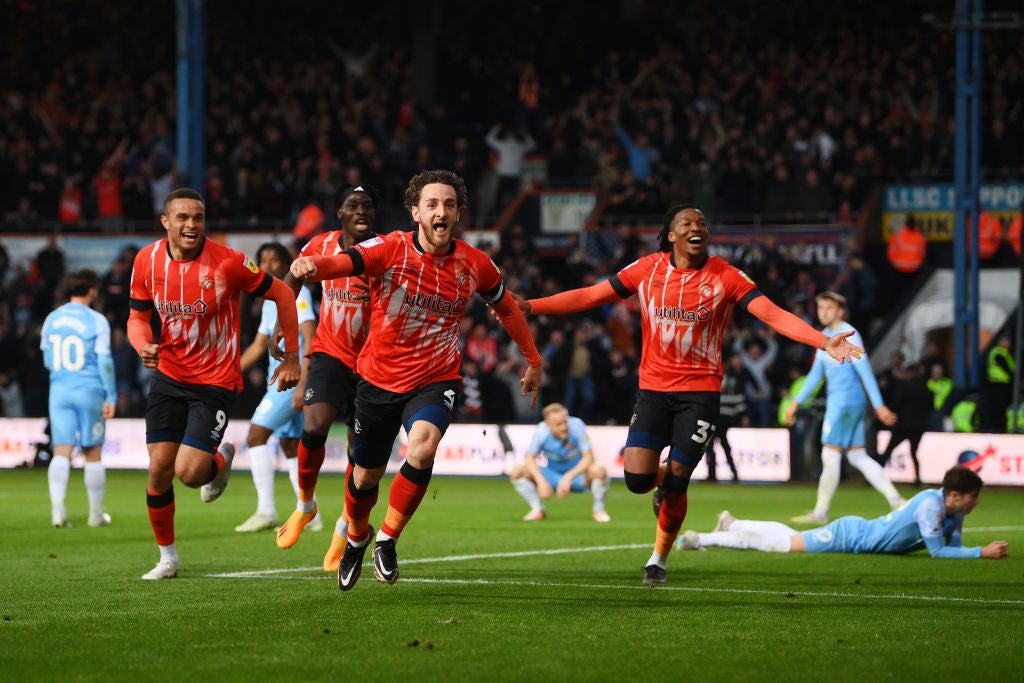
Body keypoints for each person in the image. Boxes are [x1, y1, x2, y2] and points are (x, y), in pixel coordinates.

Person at [514, 204, 864, 585]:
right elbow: (593, 295)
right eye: (687, 223)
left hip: (700, 393)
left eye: (702, 223)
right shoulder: (647, 269)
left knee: (678, 481)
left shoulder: (725, 276)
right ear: (671, 235)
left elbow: (772, 314)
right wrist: (532, 306)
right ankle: (660, 477)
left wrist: (822, 340)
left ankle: (658, 559)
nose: (697, 228)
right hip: (652, 390)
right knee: (636, 479)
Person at [290, 169, 542, 591]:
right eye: (431, 204)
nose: (440, 211)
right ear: (416, 212)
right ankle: (356, 537)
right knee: (364, 476)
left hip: (435, 377)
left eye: (448, 204)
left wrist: (532, 359)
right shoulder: (390, 248)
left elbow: (509, 309)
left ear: (459, 213)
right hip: (376, 379)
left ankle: (387, 538)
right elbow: (348, 261)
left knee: (422, 447)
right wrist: (317, 265)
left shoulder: (475, 263)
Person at [127, 188, 301, 580]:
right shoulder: (146, 261)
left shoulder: (228, 263)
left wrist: (291, 356)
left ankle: (220, 460)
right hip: (169, 375)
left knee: (188, 474)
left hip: (215, 380)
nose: (192, 226)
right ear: (166, 222)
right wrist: (143, 345)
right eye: (183, 218)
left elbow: (284, 294)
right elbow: (137, 317)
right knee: (158, 470)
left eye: (199, 218)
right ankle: (168, 558)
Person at [272, 184, 378, 573]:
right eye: (353, 205)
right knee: (313, 426)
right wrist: (283, 328)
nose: (361, 210)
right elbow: (291, 281)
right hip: (331, 352)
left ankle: (346, 525)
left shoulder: (386, 250)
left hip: (374, 363)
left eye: (368, 205)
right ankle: (305, 506)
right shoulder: (321, 243)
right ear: (340, 215)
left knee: (360, 453)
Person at [676, 466, 1008, 560]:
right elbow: (938, 551)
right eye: (973, 497)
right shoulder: (931, 506)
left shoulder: (952, 508)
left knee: (788, 537)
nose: (976, 503)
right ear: (954, 495)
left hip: (859, 532)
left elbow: (956, 543)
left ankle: (734, 523)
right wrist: (982, 553)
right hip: (850, 537)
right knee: (779, 546)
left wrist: (971, 551)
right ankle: (700, 538)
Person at [784, 292, 904, 524]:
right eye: (820, 307)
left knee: (830, 454)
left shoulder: (849, 334)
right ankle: (895, 500)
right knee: (858, 455)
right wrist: (796, 403)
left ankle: (820, 512)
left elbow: (865, 370)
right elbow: (815, 376)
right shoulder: (825, 337)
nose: (824, 312)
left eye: (829, 307)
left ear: (840, 310)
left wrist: (879, 405)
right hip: (851, 403)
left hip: (842, 403)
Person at [233, 242, 318, 533]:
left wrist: (303, 384)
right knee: (291, 446)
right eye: (263, 260)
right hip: (283, 382)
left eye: (274, 260)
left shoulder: (299, 293)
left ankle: (266, 510)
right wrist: (228, 373)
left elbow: (310, 336)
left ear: (287, 264)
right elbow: (259, 346)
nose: (268, 266)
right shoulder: (272, 301)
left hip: (290, 383)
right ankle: (310, 513)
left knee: (256, 435)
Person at [40, 269, 117, 528]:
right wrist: (112, 395)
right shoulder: (97, 320)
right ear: (93, 291)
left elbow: (47, 359)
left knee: (61, 450)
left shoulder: (52, 318)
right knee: (92, 451)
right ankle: (96, 514)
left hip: (59, 390)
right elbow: (105, 361)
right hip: (89, 390)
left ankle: (58, 511)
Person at [509, 402, 611, 522]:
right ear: (548, 425)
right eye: (558, 424)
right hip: (552, 475)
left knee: (599, 470)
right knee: (517, 471)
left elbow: (589, 458)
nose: (564, 427)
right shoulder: (541, 432)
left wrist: (568, 477)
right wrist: (541, 482)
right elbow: (530, 458)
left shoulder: (577, 426)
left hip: (577, 476)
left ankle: (598, 510)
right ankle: (538, 509)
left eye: (565, 422)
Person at [877, 361, 931, 485]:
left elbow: (896, 404)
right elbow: (931, 406)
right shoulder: (925, 387)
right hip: (918, 426)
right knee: (914, 452)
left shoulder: (904, 386)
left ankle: (877, 478)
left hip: (903, 425)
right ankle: (917, 479)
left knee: (888, 450)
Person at [977, 333, 1015, 434]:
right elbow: (1008, 369)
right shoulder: (997, 352)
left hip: (1003, 385)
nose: (1007, 343)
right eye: (1005, 341)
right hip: (996, 385)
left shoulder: (1006, 354)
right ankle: (998, 428)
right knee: (999, 408)